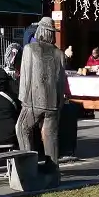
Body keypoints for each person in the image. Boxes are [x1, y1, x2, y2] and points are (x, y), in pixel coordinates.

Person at [17, 17, 65, 169]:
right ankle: (53, 169)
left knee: (22, 128)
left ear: (40, 30)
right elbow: (61, 82)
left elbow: (25, 77)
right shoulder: (59, 54)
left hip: (33, 100)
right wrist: (59, 103)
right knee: (50, 135)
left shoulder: (30, 49)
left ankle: (29, 167)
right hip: (53, 102)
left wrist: (23, 99)